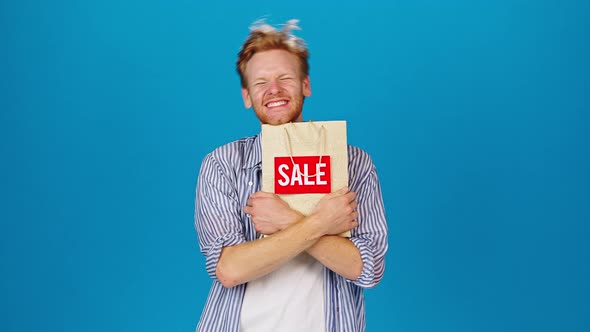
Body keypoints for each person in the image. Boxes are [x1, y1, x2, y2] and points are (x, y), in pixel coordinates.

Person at [194, 19, 388, 332]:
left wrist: (285, 219)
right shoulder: (223, 164)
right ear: (247, 96)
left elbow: (366, 268)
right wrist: (321, 223)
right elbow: (229, 269)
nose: (274, 90)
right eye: (261, 83)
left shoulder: (354, 163)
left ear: (306, 85)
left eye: (285, 78)